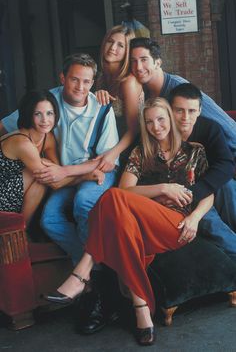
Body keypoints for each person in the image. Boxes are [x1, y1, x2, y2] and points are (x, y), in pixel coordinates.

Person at [44, 97, 214, 346]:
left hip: (177, 223)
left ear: (170, 119)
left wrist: (195, 218)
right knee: (120, 214)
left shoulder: (194, 151)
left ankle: (82, 271)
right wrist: (163, 188)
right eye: (149, 122)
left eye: (160, 119)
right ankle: (141, 307)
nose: (156, 126)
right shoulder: (140, 153)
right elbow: (125, 192)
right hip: (141, 224)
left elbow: (209, 193)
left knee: (111, 198)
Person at [0, 53, 120, 332]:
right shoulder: (46, 102)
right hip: (60, 177)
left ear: (94, 82)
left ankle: (94, 289)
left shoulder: (101, 109)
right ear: (62, 78)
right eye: (74, 79)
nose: (80, 87)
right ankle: (96, 273)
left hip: (94, 172)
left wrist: (77, 173)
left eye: (87, 81)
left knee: (82, 204)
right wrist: (67, 173)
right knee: (50, 218)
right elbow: (51, 174)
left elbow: (103, 162)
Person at [128, 37, 236, 156]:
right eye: (133, 61)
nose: (138, 67)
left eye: (144, 60)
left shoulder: (178, 87)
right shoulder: (145, 93)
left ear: (158, 62)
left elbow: (226, 126)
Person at [168, 83, 236, 253]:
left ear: (199, 110)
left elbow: (226, 164)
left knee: (226, 186)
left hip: (206, 185)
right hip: (179, 190)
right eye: (179, 110)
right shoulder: (161, 131)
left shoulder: (210, 128)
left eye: (191, 111)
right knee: (211, 222)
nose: (185, 117)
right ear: (169, 109)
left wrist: (198, 191)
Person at [0, 90, 59, 225]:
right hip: (2, 195)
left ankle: (21, 230)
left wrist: (51, 166)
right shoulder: (22, 143)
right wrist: (85, 174)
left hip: (16, 194)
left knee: (43, 177)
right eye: (38, 114)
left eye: (49, 113)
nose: (45, 120)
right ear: (29, 115)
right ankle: (17, 231)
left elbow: (58, 172)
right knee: (42, 172)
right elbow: (55, 182)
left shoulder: (47, 138)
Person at [95, 25, 144, 171]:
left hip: (129, 150)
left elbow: (134, 129)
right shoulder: (101, 78)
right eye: (110, 41)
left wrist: (112, 154)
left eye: (120, 45)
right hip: (107, 144)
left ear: (127, 52)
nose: (112, 47)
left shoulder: (128, 82)